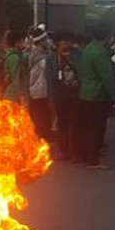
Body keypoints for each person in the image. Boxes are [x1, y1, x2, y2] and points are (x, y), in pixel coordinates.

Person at [77, 22, 115, 171]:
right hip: (97, 95)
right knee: (97, 129)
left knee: (86, 128)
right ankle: (93, 160)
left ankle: (85, 156)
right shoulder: (101, 52)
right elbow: (107, 77)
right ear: (108, 36)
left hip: (84, 93)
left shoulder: (88, 49)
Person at [47, 29, 80, 161]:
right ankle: (63, 151)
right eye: (64, 41)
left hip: (74, 96)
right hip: (59, 96)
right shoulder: (51, 59)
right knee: (62, 124)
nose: (67, 44)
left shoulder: (77, 56)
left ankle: (74, 152)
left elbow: (82, 73)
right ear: (58, 43)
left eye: (69, 41)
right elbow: (49, 80)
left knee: (74, 125)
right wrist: (51, 100)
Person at [27, 26, 53, 139]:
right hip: (38, 92)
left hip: (40, 91)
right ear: (41, 41)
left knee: (43, 117)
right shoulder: (39, 56)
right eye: (45, 39)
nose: (47, 41)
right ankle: (41, 137)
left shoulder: (40, 54)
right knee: (41, 117)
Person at [1, 29, 26, 104]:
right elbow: (16, 79)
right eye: (22, 41)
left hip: (8, 94)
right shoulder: (15, 58)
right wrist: (22, 97)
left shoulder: (8, 56)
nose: (23, 43)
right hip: (13, 96)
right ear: (16, 43)